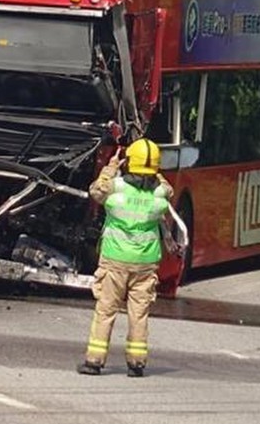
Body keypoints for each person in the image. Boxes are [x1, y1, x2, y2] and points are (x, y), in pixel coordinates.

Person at [77, 137, 189, 378]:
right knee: (138, 313)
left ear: (130, 162)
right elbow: (167, 189)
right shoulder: (159, 196)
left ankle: (94, 361)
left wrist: (112, 166)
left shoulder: (116, 189)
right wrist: (156, 173)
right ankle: (137, 363)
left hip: (115, 260)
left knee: (106, 310)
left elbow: (96, 190)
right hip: (146, 264)